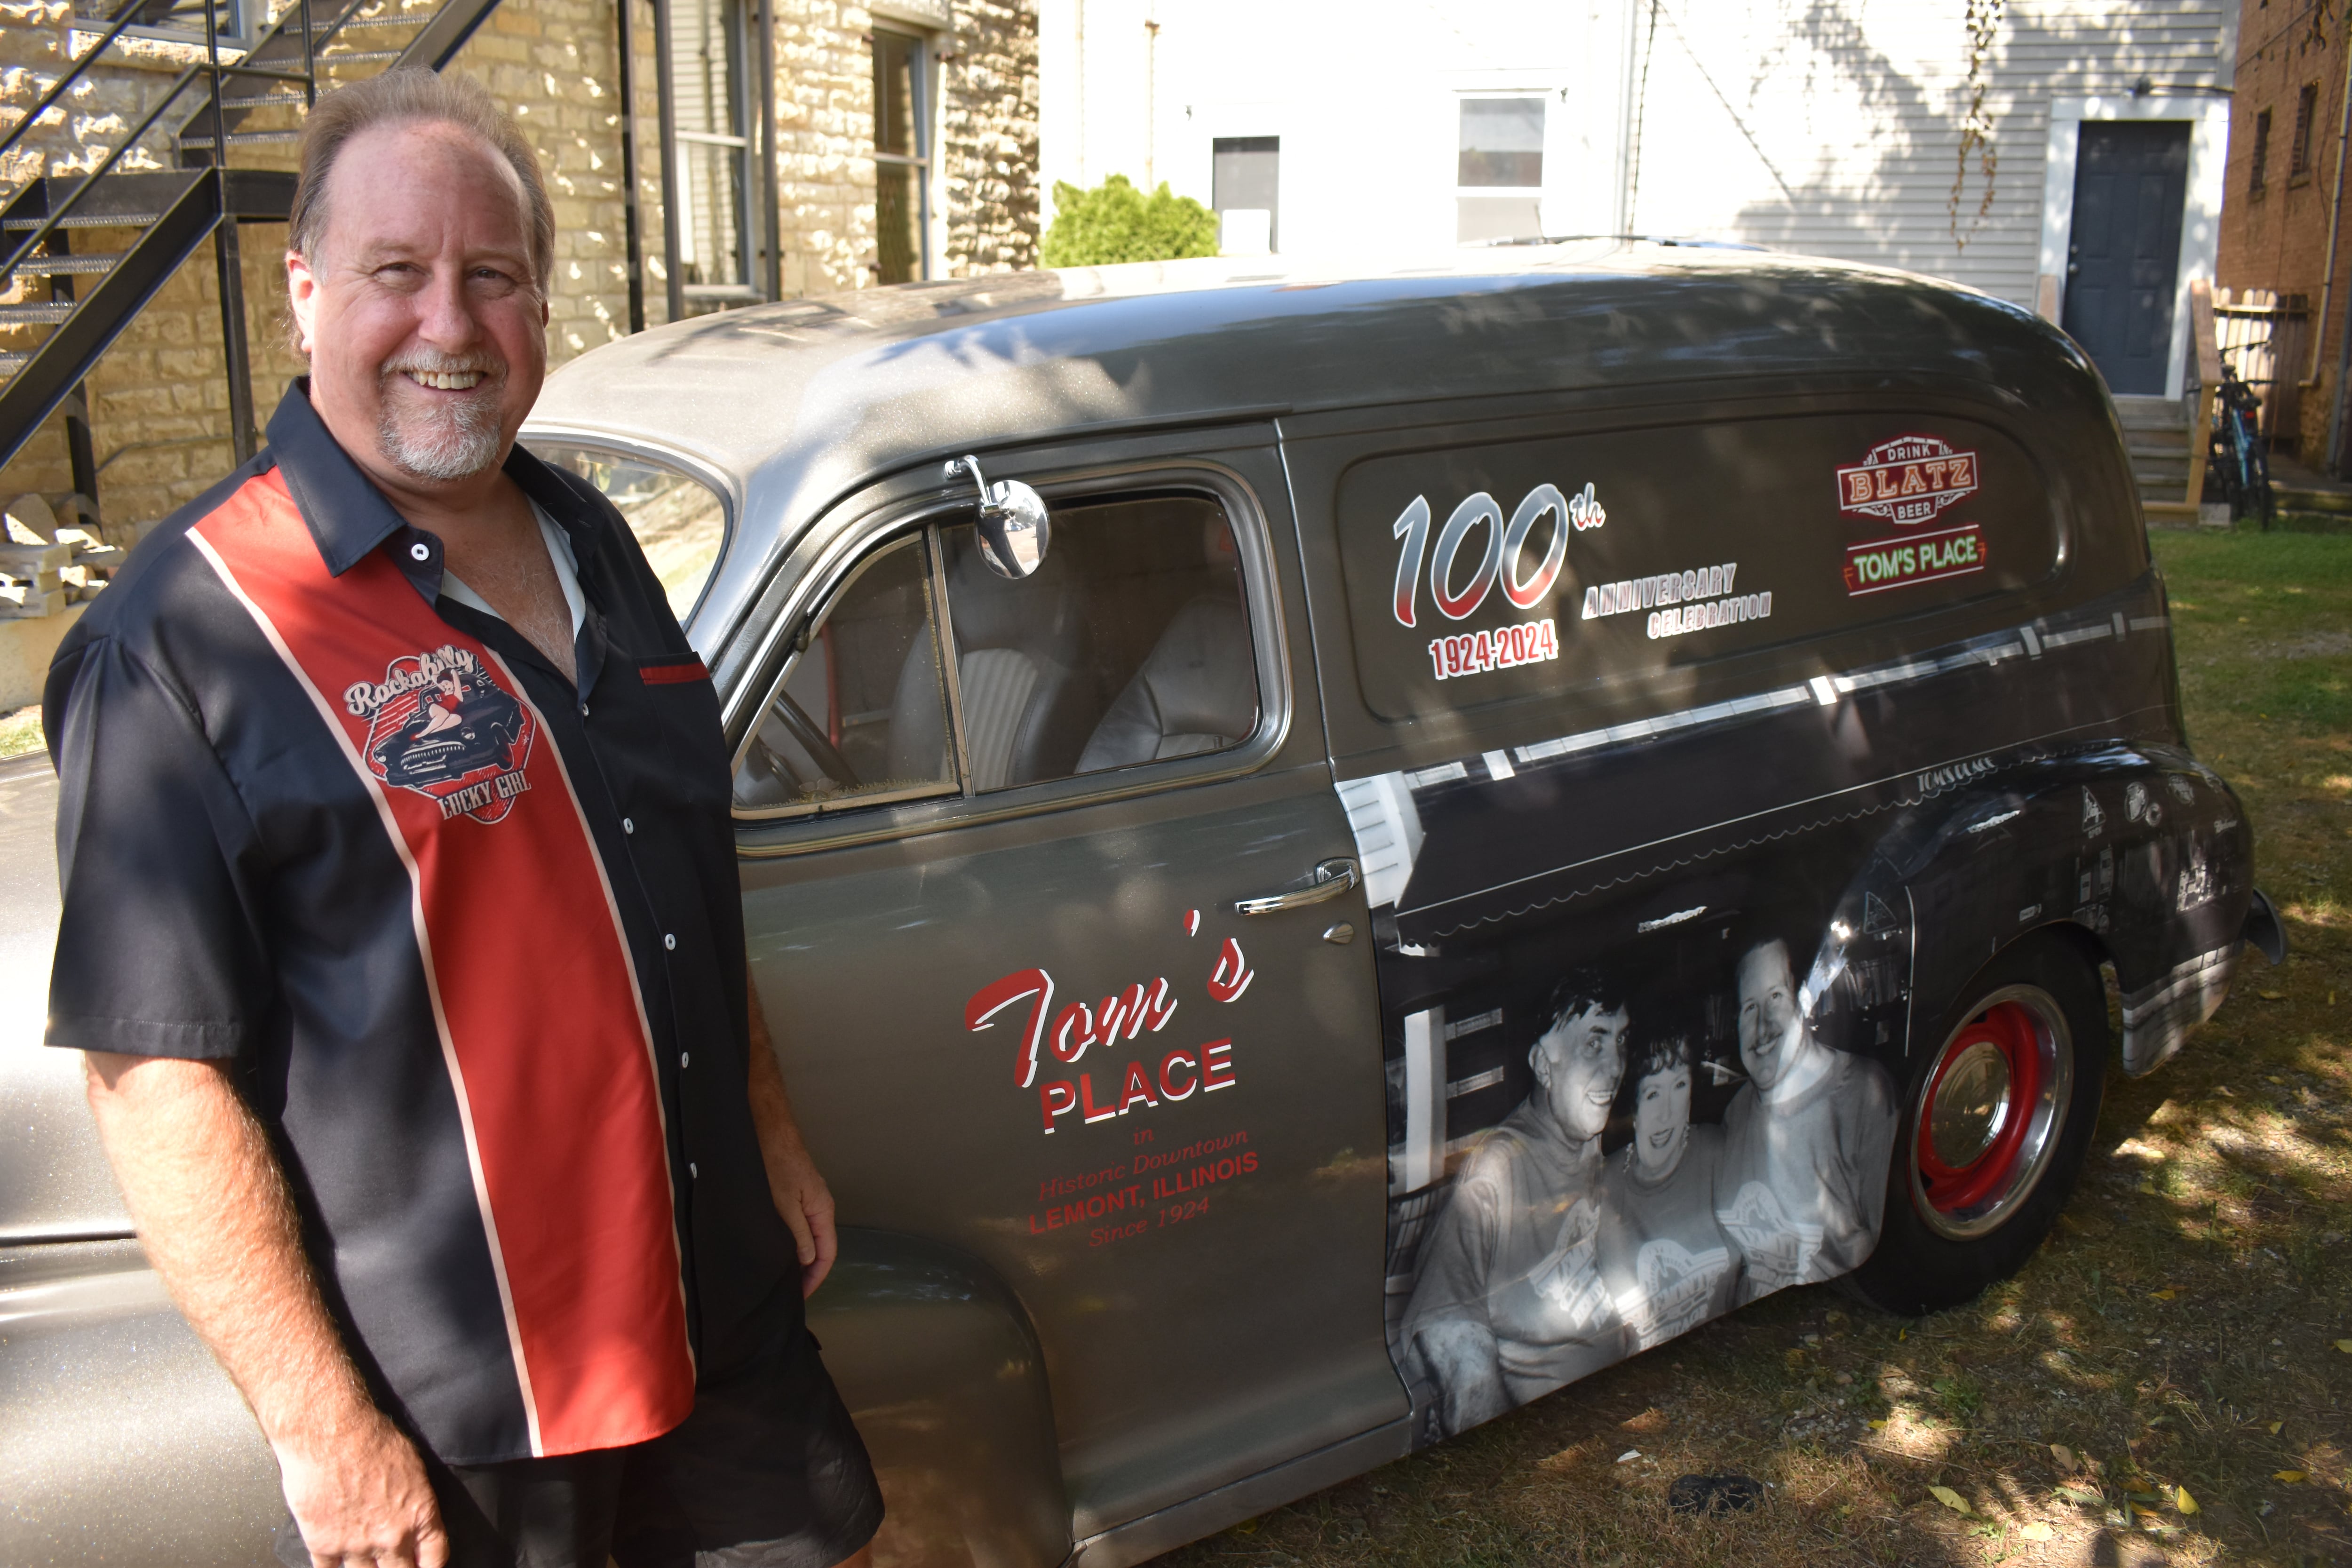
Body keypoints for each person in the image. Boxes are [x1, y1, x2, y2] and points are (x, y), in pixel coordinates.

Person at [44, 69, 882, 1568]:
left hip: (719, 1316)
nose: (448, 324)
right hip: (470, 1414)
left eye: (492, 277)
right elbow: (152, 1072)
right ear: (305, 294)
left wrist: (765, 1123)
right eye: (395, 274)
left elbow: (672, 866)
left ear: (541, 312)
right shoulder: (189, 633)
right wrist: (322, 1432)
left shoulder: (590, 537)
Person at [1399, 971, 1628, 1438]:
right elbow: (1450, 1336)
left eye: (1621, 1042)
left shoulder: (1599, 1142)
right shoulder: (1497, 1169)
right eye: (1593, 1044)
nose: (1615, 1067)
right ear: (1544, 1066)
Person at [1713, 935, 1899, 1304]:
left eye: (1776, 997)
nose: (1763, 1024)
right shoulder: (1736, 1113)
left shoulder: (1864, 1092)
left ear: (1803, 1001)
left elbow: (1892, 1251)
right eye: (1750, 1007)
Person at [1594, 1023, 1736, 1353]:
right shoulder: (1603, 1187)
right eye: (1653, 1093)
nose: (1667, 1114)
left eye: (1679, 1085)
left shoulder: (1718, 1152)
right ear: (1633, 1105)